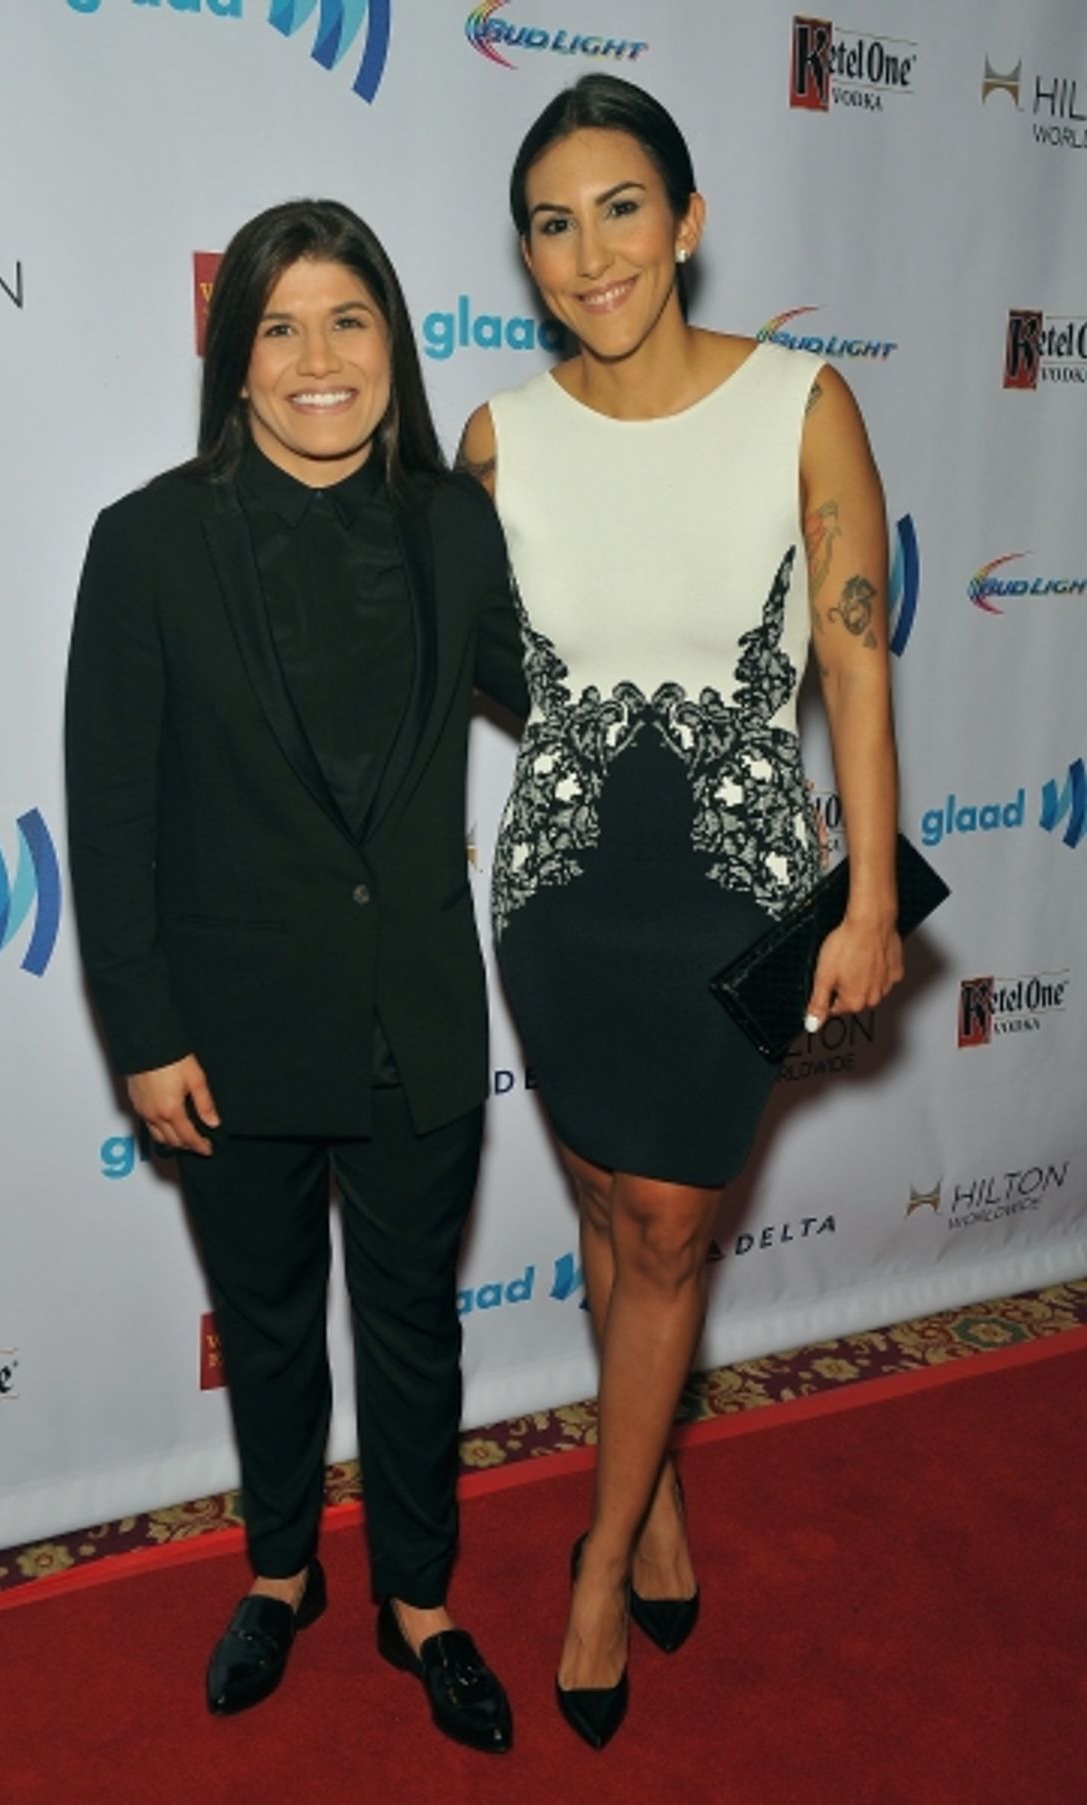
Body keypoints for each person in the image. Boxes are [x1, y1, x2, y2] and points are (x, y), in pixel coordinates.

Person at [459, 75, 903, 1750]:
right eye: (556, 224)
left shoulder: (801, 402)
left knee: (665, 1222)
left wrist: (867, 886)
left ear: (690, 222)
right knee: (601, 1195)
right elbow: (487, 668)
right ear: (527, 253)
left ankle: (593, 1563)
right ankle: (647, 1497)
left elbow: (855, 653)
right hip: (564, 887)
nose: (594, 252)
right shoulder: (500, 435)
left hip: (740, 880)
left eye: (624, 207)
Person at [66, 198, 526, 1754]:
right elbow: (111, 811)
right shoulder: (145, 541)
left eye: (350, 321)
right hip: (232, 1031)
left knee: (412, 1324)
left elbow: (577, 681)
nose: (318, 358)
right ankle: (279, 1571)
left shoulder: (464, 526)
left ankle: (420, 1599)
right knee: (264, 1320)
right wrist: (143, 1029)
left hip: (415, 1014)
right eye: (280, 326)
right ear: (236, 358)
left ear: (393, 341)